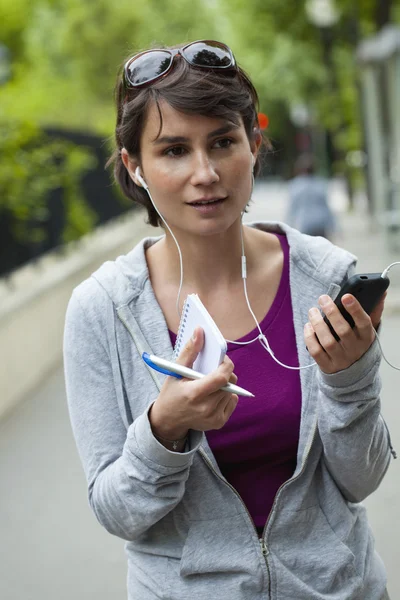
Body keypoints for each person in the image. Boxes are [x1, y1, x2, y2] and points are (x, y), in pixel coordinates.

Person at [63, 40, 393, 600]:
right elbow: (117, 512)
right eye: (173, 150)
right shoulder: (103, 309)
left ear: (254, 145)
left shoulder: (324, 276)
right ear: (134, 166)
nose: (206, 172)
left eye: (223, 142)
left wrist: (350, 381)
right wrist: (163, 432)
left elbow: (360, 483)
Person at [286, 153, 336, 239]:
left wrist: (288, 226)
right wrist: (334, 226)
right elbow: (326, 207)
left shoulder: (295, 185)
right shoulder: (320, 184)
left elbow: (292, 208)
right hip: (321, 223)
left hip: (305, 223)